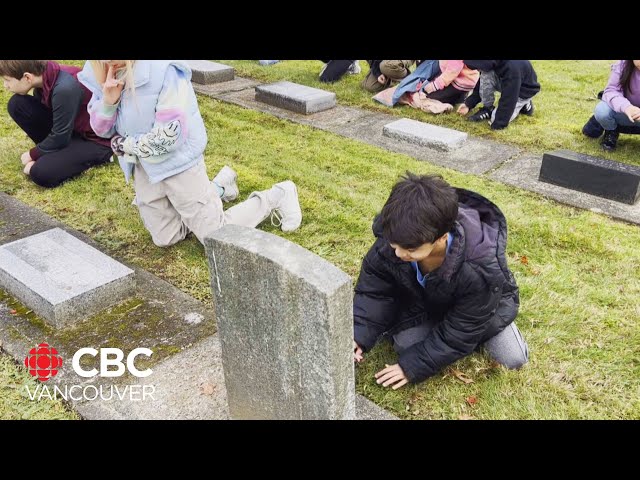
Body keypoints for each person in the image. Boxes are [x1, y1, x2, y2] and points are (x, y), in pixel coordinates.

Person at [78, 60, 302, 248]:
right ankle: (219, 188)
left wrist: (124, 145)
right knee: (165, 238)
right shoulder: (99, 70)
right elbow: (102, 130)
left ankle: (277, 195)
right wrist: (109, 102)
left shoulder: (163, 69)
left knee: (214, 237)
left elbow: (170, 135)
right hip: (144, 168)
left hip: (178, 163)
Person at [353, 173, 528, 389]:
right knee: (405, 344)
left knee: (513, 358)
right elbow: (375, 291)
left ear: (441, 238)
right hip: (430, 302)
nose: (397, 253)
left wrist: (412, 366)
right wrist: (358, 335)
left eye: (410, 249)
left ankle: (487, 326)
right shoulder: (396, 236)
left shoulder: (480, 269)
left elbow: (463, 328)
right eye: (394, 244)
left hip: (482, 307)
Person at [0, 60, 112, 188]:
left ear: (27, 77)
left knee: (40, 173)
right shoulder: (44, 77)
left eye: (7, 80)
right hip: (70, 130)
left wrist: (33, 154)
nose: (5, 85)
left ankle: (98, 156)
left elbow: (60, 136)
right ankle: (57, 153)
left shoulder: (65, 87)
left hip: (95, 140)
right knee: (17, 104)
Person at [458, 60, 540, 130]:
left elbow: (509, 97)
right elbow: (482, 84)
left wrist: (499, 123)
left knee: (495, 119)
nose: (477, 70)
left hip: (523, 90)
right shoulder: (492, 62)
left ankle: (525, 103)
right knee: (486, 74)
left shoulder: (512, 68)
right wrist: (469, 104)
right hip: (505, 80)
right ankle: (488, 108)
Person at [582, 60, 640, 151]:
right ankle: (611, 132)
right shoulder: (623, 64)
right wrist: (627, 107)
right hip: (624, 111)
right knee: (602, 111)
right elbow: (611, 90)